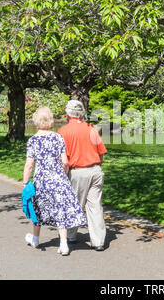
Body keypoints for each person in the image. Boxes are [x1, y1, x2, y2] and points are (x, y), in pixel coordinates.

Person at [22, 107, 87, 256]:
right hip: (58, 179)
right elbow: (65, 162)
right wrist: (63, 175)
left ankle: (36, 239)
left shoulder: (32, 140)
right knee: (60, 209)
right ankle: (63, 244)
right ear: (51, 120)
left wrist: (25, 182)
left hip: (41, 180)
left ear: (36, 121)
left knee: (37, 208)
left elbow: (29, 164)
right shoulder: (58, 137)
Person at [58, 100, 107, 251]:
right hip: (96, 170)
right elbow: (101, 153)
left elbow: (63, 159)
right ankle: (98, 241)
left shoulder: (63, 132)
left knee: (75, 204)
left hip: (77, 171)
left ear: (67, 114)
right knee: (95, 206)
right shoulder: (91, 129)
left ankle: (71, 236)